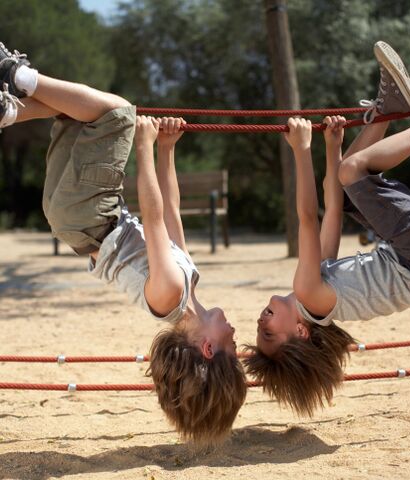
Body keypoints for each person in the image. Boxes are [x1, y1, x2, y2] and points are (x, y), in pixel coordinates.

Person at [0, 42, 246, 444]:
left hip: (90, 214)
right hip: (75, 217)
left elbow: (151, 218)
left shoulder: (170, 297)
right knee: (78, 111)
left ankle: (14, 73)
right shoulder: (189, 286)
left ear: (207, 347)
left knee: (117, 114)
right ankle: (9, 111)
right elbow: (170, 217)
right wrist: (168, 152)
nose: (235, 330)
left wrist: (146, 148)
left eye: (231, 344)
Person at [244, 41, 410, 416]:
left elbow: (332, 211)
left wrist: (333, 148)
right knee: (352, 173)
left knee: (346, 185)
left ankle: (387, 111)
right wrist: (301, 149)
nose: (260, 321)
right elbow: (307, 218)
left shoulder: (320, 300)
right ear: (300, 332)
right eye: (268, 332)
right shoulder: (308, 293)